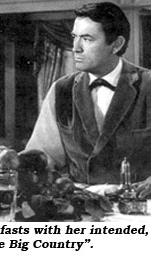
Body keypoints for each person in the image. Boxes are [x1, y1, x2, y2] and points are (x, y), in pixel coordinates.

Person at [25, 2, 151, 198]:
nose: (76, 48)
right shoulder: (61, 89)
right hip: (82, 207)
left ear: (116, 44)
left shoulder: (148, 85)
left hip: (140, 207)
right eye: (74, 37)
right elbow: (42, 158)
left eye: (87, 39)